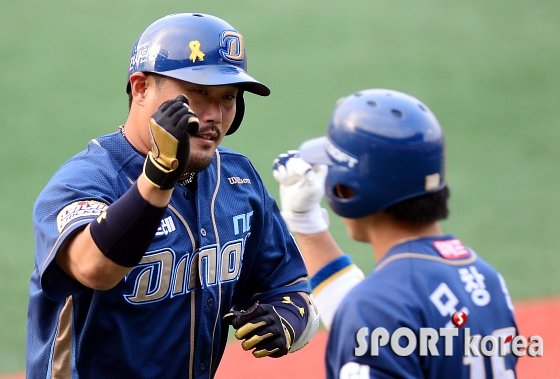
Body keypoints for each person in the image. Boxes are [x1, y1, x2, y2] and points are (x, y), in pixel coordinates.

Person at [27, 13, 318, 379]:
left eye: (227, 98)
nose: (214, 115)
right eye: (198, 94)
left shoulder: (238, 181)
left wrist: (287, 317)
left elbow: (288, 286)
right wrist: (158, 176)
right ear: (141, 88)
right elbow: (93, 268)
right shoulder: (86, 181)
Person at [272, 89, 518, 378]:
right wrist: (307, 224)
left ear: (346, 190)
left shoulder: (376, 306)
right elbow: (387, 329)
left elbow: (376, 321)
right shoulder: (486, 280)